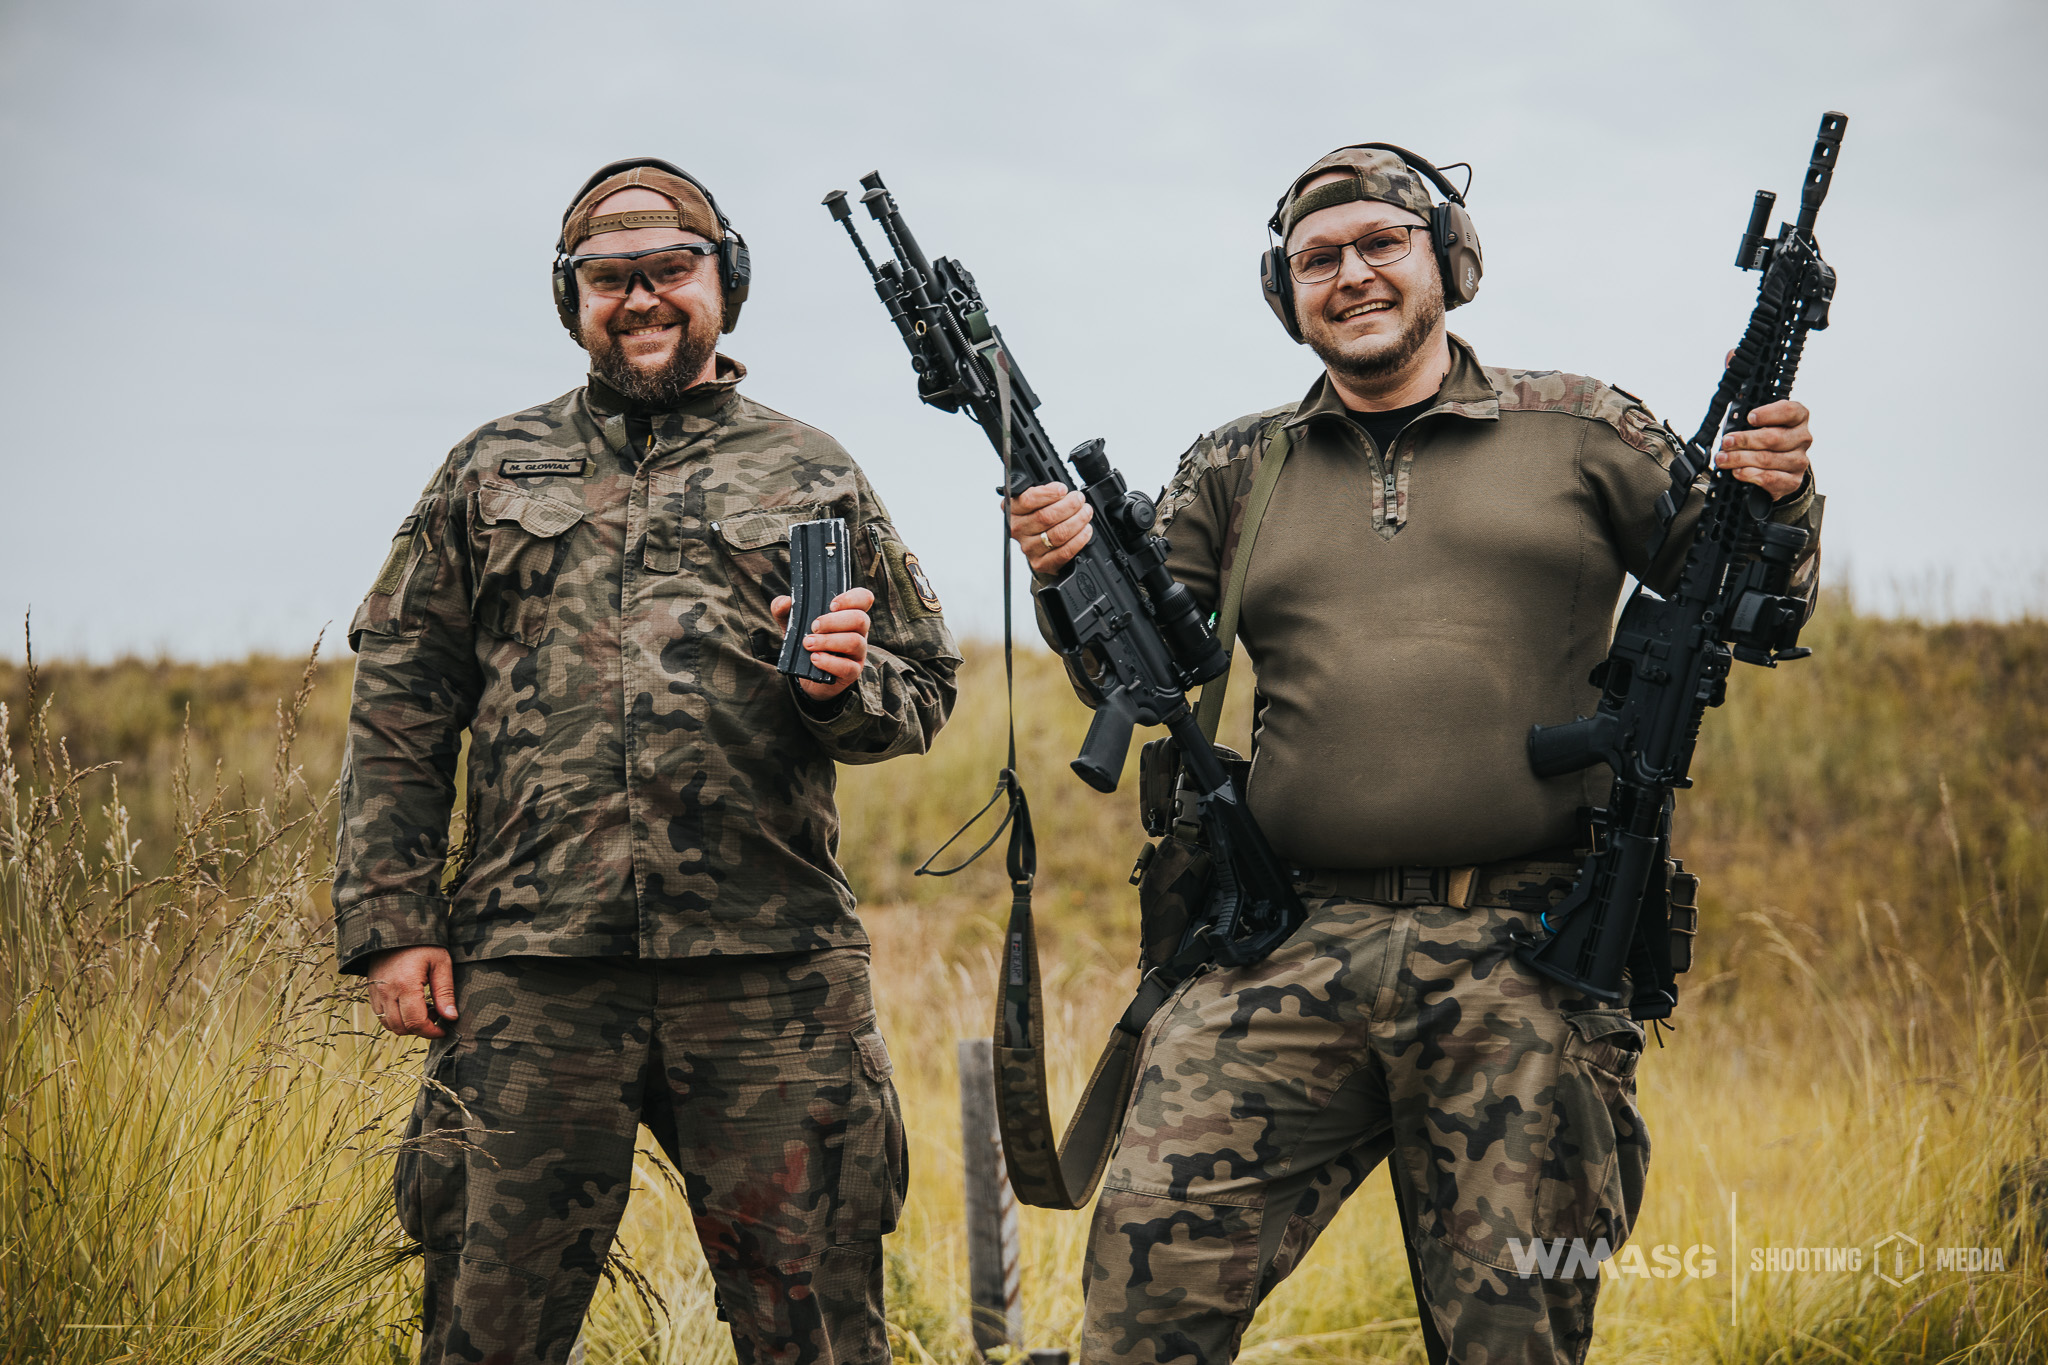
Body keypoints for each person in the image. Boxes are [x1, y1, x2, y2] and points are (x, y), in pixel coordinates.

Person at [1004, 145, 1821, 1364]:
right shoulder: (1236, 467)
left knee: (1511, 1339)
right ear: (1285, 295)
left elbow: (1754, 604)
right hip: (1276, 950)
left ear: (1448, 261)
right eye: (1315, 260)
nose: (1351, 275)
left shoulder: (1584, 430)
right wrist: (1067, 575)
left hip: (1526, 959)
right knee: (1136, 1315)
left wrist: (1780, 492)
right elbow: (1139, 676)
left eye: (1380, 244)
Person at [333, 157, 959, 1365]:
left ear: (723, 282)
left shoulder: (809, 469)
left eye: (670, 270)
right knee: (485, 1325)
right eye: (608, 279)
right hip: (531, 971)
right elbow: (403, 695)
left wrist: (837, 688)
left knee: (818, 1326)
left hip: (771, 969)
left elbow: (921, 690)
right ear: (570, 298)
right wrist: (393, 917)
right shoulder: (490, 467)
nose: (641, 299)